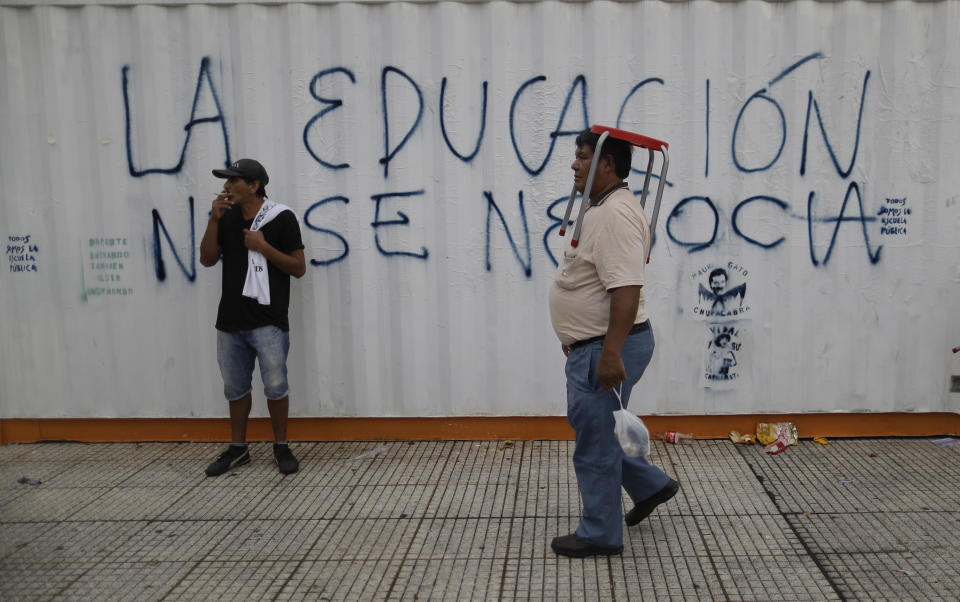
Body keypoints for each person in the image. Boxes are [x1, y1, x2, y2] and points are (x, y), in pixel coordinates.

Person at [547, 130, 679, 557]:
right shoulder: (603, 208)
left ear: (607, 164)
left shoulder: (614, 215)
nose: (574, 164)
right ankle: (652, 486)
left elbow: (626, 289)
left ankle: (600, 533)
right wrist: (578, 335)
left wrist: (608, 353)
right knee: (600, 431)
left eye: (582, 157)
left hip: (607, 347)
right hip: (595, 344)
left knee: (594, 444)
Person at [199, 158, 306, 476]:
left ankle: (281, 446)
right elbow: (206, 259)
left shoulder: (282, 218)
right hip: (230, 320)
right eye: (226, 181)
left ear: (254, 186)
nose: (226, 186)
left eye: (233, 181)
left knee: (276, 386)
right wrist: (214, 221)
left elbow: (298, 268)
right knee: (235, 388)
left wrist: (263, 247)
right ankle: (238, 449)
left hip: (268, 321)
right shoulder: (226, 217)